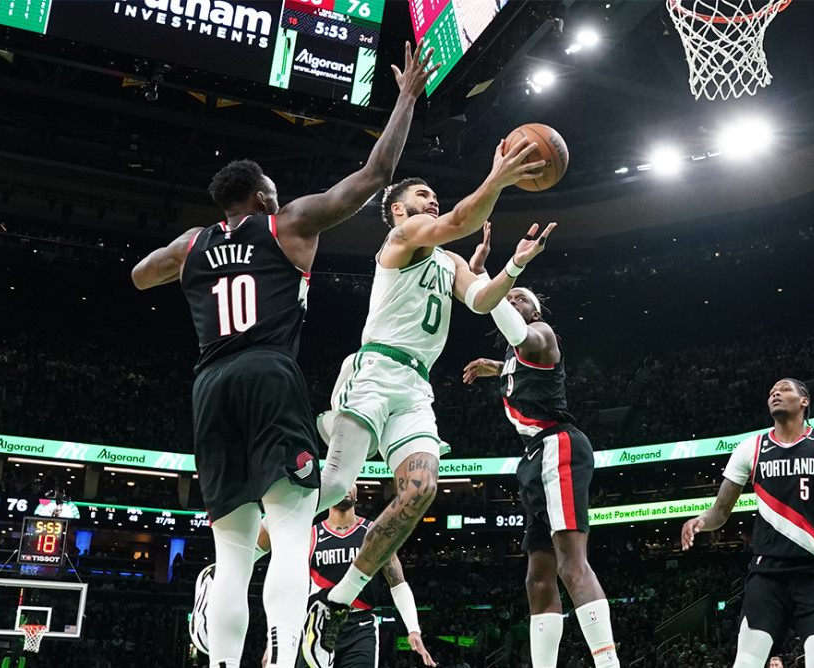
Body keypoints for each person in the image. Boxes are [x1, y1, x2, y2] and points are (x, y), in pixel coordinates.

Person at [131, 41, 438, 668]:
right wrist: (405, 97)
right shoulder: (288, 223)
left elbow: (140, 275)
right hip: (269, 376)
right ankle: (277, 660)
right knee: (293, 537)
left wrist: (196, 258)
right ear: (264, 197)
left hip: (209, 385)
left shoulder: (190, 245)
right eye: (273, 191)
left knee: (233, 555)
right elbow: (376, 177)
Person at [301, 144, 552, 668]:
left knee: (421, 489)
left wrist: (513, 266)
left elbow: (482, 303)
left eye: (434, 195)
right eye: (422, 194)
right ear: (397, 209)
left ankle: (337, 602)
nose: (432, 200)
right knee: (331, 489)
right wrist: (498, 177)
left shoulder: (452, 259)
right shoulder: (401, 237)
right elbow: (464, 216)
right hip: (374, 371)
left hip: (415, 386)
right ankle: (244, 548)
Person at [460, 279, 619, 668]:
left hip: (558, 446)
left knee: (570, 563)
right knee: (538, 576)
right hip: (534, 457)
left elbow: (523, 337)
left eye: (521, 299)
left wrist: (488, 285)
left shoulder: (543, 334)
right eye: (509, 297)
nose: (513, 301)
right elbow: (520, 368)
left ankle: (609, 663)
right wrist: (497, 367)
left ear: (535, 313)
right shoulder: (516, 360)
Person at [680, 379, 814, 668]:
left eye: (784, 390)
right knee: (745, 663)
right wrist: (700, 521)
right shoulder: (751, 448)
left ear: (804, 401)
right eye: (771, 392)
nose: (775, 394)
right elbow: (720, 511)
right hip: (767, 572)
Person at [191, 486, 435, 668]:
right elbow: (288, 587)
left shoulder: (373, 533)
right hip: (312, 626)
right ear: (331, 490)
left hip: (359, 628)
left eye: (353, 481)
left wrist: (413, 629)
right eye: (343, 481)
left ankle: (221, 572)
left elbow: (398, 584)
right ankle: (219, 573)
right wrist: (275, 643)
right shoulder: (310, 534)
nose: (347, 486)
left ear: (357, 492)